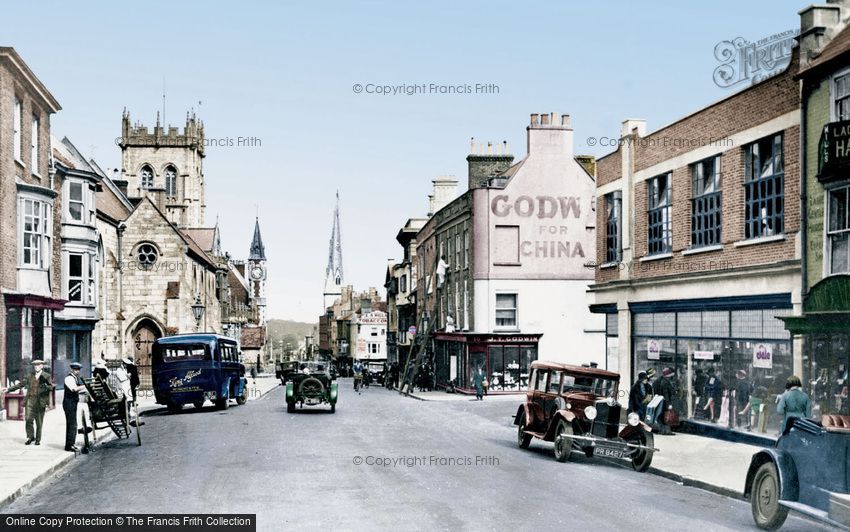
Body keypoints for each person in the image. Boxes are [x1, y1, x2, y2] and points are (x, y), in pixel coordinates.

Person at [1, 360, 54, 445]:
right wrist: (8, 389)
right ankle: (30, 437)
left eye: (38, 365)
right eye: (35, 365)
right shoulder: (29, 376)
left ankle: (38, 439)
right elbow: (20, 384)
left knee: (39, 422)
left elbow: (51, 387)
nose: (36, 366)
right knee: (28, 420)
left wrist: (45, 386)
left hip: (40, 401)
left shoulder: (46, 376)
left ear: (42, 366)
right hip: (30, 400)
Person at [63, 362, 86, 452]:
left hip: (72, 403)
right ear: (72, 370)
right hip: (69, 403)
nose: (77, 371)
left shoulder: (75, 378)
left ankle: (71, 443)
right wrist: (84, 386)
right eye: (76, 370)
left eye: (78, 370)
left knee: (73, 424)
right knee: (72, 424)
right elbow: (74, 389)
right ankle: (69, 445)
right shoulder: (69, 378)